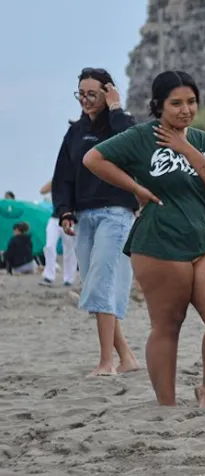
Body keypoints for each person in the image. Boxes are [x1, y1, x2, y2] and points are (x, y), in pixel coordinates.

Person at [82, 70, 205, 407]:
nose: (185, 109)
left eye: (191, 102)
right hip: (158, 241)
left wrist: (185, 147)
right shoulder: (140, 137)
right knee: (168, 324)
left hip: (203, 239)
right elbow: (93, 158)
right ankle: (166, 405)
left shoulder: (201, 140)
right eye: (176, 103)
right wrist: (136, 188)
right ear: (159, 105)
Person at [52, 67, 141, 376]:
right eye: (81, 94)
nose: (85, 100)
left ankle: (106, 363)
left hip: (117, 212)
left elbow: (131, 145)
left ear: (108, 93)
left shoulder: (121, 124)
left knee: (102, 284)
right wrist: (64, 210)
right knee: (94, 288)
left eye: (92, 94)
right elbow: (63, 175)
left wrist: (116, 107)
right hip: (85, 216)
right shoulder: (75, 132)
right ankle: (127, 357)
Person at [39, 179, 76, 287]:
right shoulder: (58, 180)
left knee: (69, 249)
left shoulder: (76, 179)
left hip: (70, 218)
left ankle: (69, 278)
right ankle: (49, 276)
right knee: (49, 246)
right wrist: (56, 178)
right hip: (55, 219)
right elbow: (42, 190)